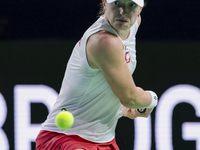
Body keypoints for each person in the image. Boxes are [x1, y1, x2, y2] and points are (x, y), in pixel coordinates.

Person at [35, 0, 158, 149]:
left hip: (105, 140)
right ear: (105, 3)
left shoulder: (132, 25)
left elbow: (99, 85)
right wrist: (152, 98)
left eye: (131, 5)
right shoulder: (104, 41)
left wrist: (119, 110)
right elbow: (130, 98)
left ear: (140, 8)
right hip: (65, 138)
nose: (122, 12)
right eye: (117, 3)